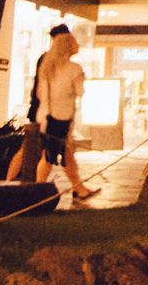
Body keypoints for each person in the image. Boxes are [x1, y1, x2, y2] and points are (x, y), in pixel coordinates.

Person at [11, 25, 91, 198]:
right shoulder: (73, 68)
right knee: (47, 155)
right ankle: (35, 190)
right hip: (60, 118)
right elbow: (80, 91)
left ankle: (78, 188)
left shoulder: (47, 63)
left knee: (60, 153)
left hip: (43, 114)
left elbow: (39, 92)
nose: (77, 44)